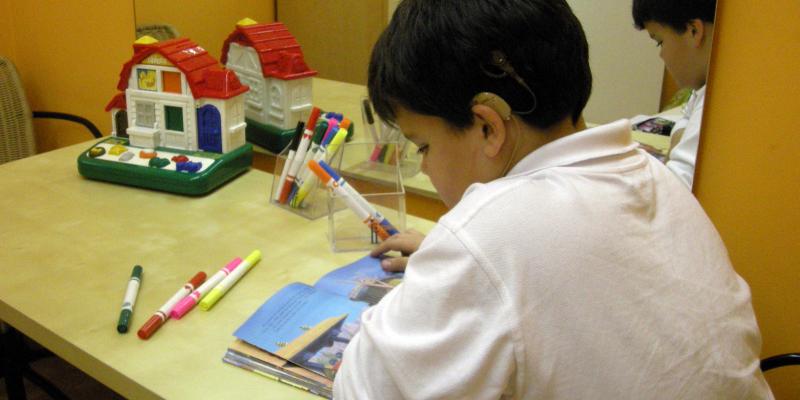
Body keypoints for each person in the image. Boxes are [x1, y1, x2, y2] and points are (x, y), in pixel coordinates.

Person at [333, 0, 772, 398]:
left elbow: (360, 389)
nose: (424, 168)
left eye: (423, 146)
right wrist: (455, 263)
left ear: (489, 127)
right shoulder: (653, 175)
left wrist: (456, 263)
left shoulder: (494, 237)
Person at [633, 0, 716, 189]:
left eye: (659, 42)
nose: (661, 55)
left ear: (693, 31)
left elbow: (678, 190)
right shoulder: (702, 90)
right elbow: (685, 119)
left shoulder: (716, 100)